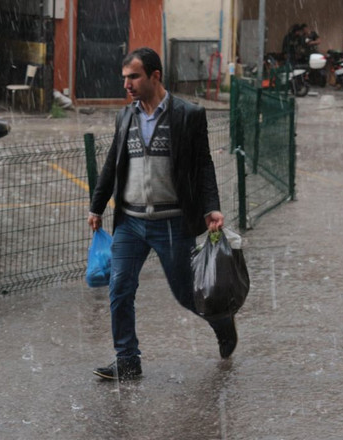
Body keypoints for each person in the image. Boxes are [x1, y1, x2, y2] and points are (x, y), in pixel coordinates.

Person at [87, 47, 238, 381]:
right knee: (119, 288)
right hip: (130, 222)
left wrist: (211, 206)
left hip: (171, 222)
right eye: (124, 78)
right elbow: (112, 164)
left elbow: (203, 164)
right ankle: (128, 359)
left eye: (134, 77)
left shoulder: (188, 115)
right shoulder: (125, 116)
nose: (127, 84)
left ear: (155, 76)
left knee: (187, 294)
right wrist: (97, 206)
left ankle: (222, 321)